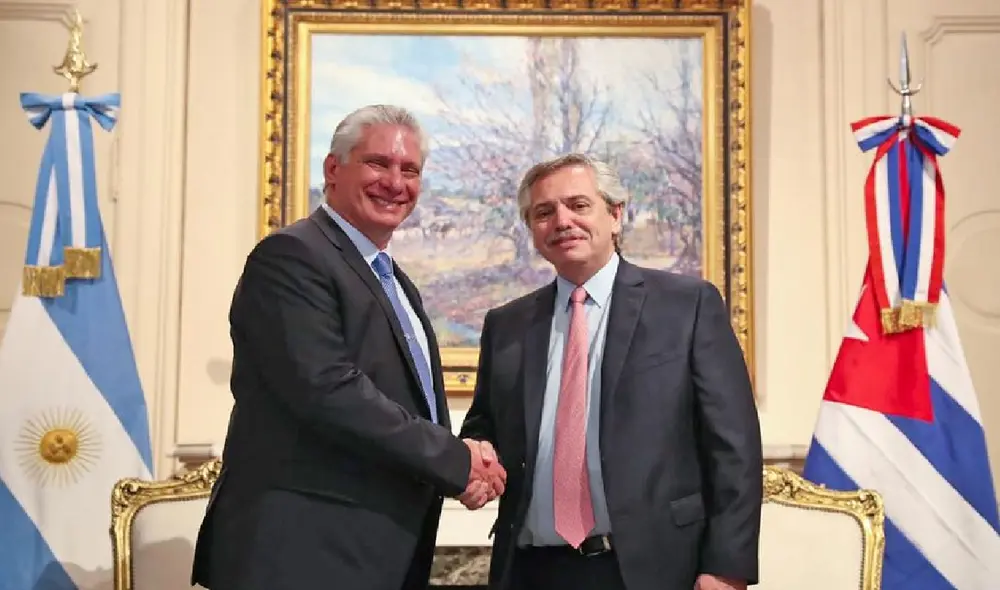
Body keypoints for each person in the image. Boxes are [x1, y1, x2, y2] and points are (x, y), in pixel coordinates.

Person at [190, 104, 506, 590]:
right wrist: (456, 460)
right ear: (333, 169)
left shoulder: (395, 282)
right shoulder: (292, 257)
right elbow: (328, 390)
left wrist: (460, 464)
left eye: (410, 170)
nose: (395, 183)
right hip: (299, 551)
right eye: (378, 163)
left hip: (372, 548)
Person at [458, 153, 763, 590]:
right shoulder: (507, 325)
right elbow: (486, 422)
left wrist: (726, 567)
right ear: (532, 230)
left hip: (651, 570)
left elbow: (734, 445)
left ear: (616, 214)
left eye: (579, 205)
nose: (562, 221)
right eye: (544, 212)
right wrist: (478, 458)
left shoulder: (687, 306)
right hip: (531, 569)